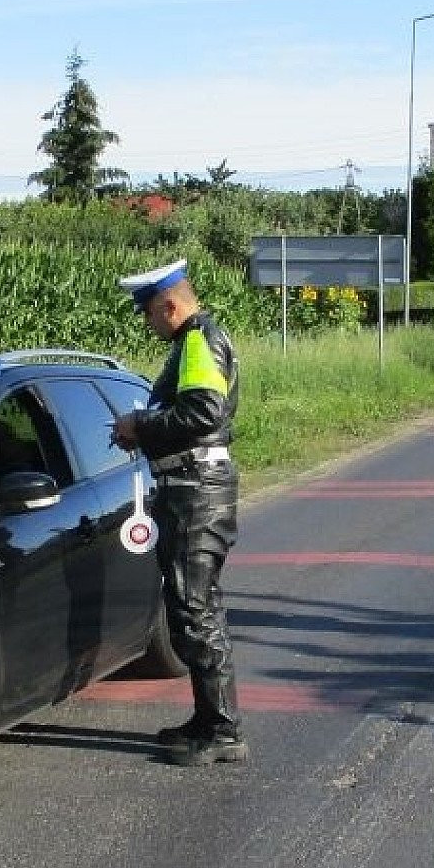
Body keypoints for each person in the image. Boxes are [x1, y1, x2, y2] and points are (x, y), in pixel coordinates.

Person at [110, 260, 246, 766]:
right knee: (198, 607)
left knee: (195, 610)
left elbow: (203, 411)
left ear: (170, 305)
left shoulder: (197, 339)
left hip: (196, 490)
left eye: (148, 313)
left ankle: (222, 729)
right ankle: (209, 717)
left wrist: (139, 424)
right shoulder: (196, 339)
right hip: (195, 488)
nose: (148, 324)